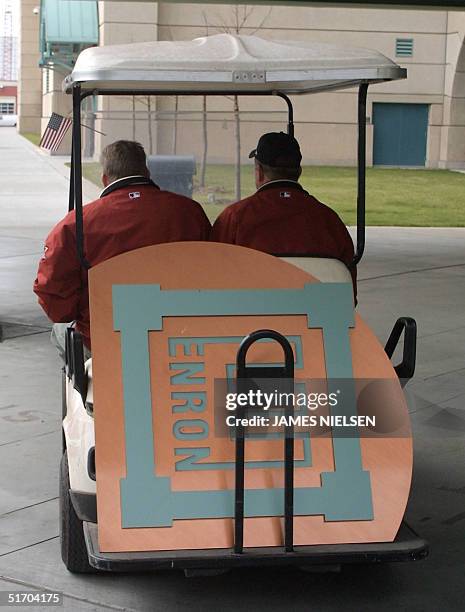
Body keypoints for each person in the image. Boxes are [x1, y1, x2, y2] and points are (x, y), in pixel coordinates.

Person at [34, 140, 211, 358]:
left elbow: (53, 295)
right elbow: (213, 272)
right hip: (180, 335)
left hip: (104, 338)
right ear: (146, 172)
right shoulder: (190, 213)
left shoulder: (75, 224)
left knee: (59, 331)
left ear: (105, 178)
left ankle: (87, 388)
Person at [210, 131, 357, 299]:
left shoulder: (234, 218)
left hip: (250, 322)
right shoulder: (330, 221)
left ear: (258, 172)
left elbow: (213, 281)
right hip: (318, 322)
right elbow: (348, 295)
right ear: (299, 172)